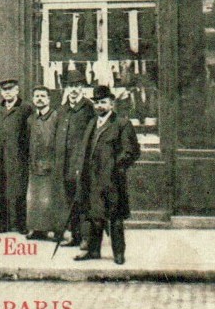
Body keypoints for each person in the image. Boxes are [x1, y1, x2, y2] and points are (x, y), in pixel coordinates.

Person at [74, 85, 141, 265]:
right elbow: (85, 149)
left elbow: (131, 152)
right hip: (93, 179)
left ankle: (119, 253)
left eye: (103, 102)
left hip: (112, 180)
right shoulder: (92, 123)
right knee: (95, 216)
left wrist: (115, 167)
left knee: (115, 219)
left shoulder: (122, 124)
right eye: (96, 103)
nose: (99, 106)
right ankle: (94, 251)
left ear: (111, 104)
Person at [52, 69, 95, 248]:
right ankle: (75, 235)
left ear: (83, 88)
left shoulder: (89, 108)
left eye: (78, 86)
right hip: (64, 163)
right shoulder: (62, 110)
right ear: (65, 88)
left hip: (82, 163)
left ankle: (87, 238)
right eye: (71, 86)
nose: (74, 90)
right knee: (70, 200)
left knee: (84, 200)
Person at [0, 78, 31, 234]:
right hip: (0, 155)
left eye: (10, 89)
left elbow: (28, 133)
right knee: (0, 189)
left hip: (17, 155)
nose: (7, 92)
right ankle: (2, 224)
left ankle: (21, 224)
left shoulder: (25, 108)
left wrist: (25, 153)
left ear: (17, 91)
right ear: (1, 92)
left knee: (19, 189)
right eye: (4, 90)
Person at [26, 86, 58, 239]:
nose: (39, 98)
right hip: (34, 164)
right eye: (36, 96)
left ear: (48, 99)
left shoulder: (55, 117)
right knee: (34, 199)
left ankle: (51, 229)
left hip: (50, 165)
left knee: (48, 199)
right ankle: (36, 229)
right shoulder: (31, 119)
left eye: (43, 96)